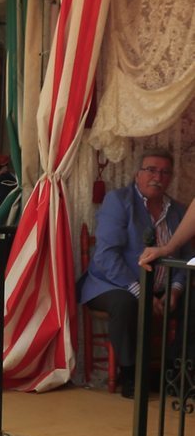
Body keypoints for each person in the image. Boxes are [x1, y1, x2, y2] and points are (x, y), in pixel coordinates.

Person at [80, 149, 188, 399]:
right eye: (151, 170)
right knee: (127, 304)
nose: (157, 177)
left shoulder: (179, 211)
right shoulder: (119, 201)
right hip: (110, 285)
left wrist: (175, 290)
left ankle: (174, 372)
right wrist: (142, 292)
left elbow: (185, 258)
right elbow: (107, 256)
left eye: (164, 172)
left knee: (190, 301)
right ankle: (131, 375)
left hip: (162, 285)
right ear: (137, 174)